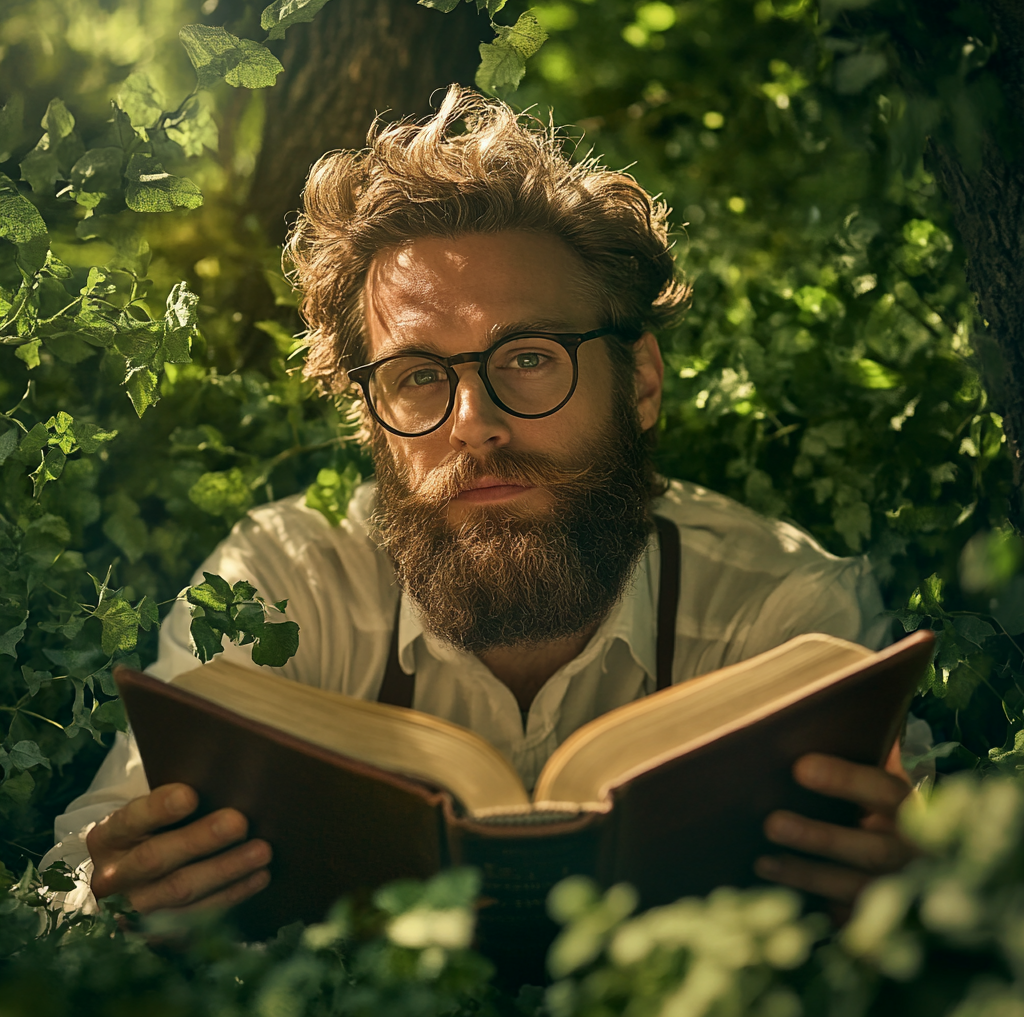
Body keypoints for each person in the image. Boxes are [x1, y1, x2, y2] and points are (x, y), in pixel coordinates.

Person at [41, 86, 915, 923]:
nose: (475, 425)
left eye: (530, 356)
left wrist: (910, 905)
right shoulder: (278, 588)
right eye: (417, 376)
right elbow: (70, 890)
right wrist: (114, 895)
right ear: (370, 420)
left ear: (640, 380)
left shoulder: (788, 616)